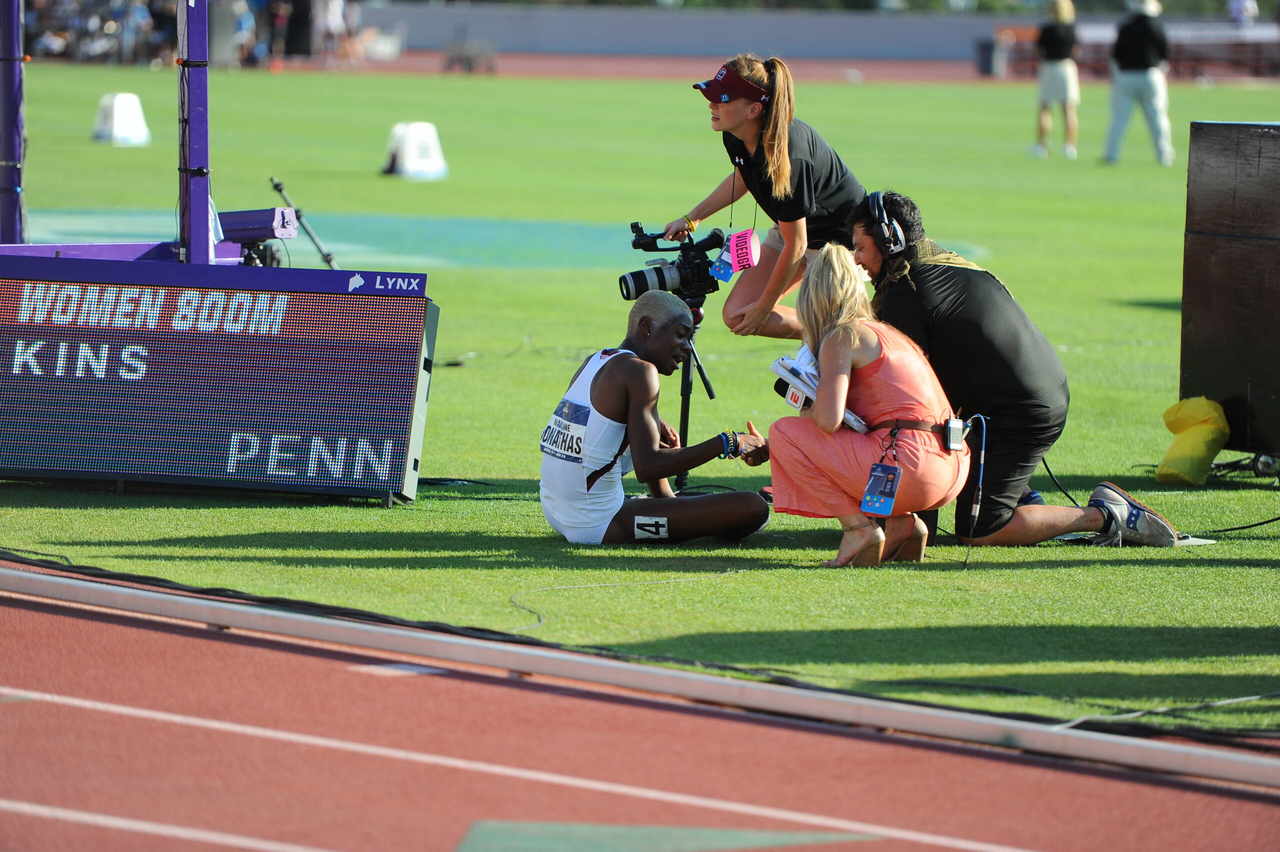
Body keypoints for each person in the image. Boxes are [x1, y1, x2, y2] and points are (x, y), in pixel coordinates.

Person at [848, 191, 1179, 547]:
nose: (857, 259)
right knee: (968, 475)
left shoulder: (905, 294)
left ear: (889, 241)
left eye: (862, 248)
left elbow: (908, 399)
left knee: (979, 530)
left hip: (1019, 414)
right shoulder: (941, 265)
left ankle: (1105, 515)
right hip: (1025, 400)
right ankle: (1022, 498)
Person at [746, 244, 970, 567]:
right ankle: (902, 523)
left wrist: (806, 399)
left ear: (813, 298)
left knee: (783, 432)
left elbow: (827, 421)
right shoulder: (888, 333)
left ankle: (858, 529)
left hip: (912, 465)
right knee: (875, 439)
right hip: (952, 465)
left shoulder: (842, 336)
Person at [539, 291, 769, 546]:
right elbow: (648, 466)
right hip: (597, 523)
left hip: (555, 512)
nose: (687, 347)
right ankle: (676, 517)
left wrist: (648, 429)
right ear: (646, 326)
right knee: (752, 507)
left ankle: (667, 504)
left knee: (655, 450)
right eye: (681, 335)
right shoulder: (641, 371)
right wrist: (729, 442)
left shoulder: (596, 360)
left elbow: (586, 428)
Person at [663, 54, 867, 340]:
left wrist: (765, 308)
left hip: (838, 242)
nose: (712, 104)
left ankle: (857, 332)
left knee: (823, 326)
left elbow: (798, 246)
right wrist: (692, 217)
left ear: (753, 110)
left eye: (723, 99)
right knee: (738, 316)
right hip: (792, 229)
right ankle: (834, 332)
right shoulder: (734, 135)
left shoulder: (789, 155)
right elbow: (742, 176)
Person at [1105, 0, 1175, 167]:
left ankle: (1112, 155)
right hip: (1151, 75)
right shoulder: (1156, 26)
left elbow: (1115, 55)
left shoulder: (1125, 27)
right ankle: (1164, 156)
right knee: (1157, 117)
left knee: (1119, 119)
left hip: (1126, 76)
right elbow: (1165, 54)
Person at [1031, 0, 1081, 160]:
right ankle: (1069, 146)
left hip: (1049, 67)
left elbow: (1038, 50)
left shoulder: (1047, 29)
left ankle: (1042, 145)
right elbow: (1077, 51)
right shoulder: (1072, 29)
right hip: (1066, 67)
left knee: (1045, 107)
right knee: (1068, 109)